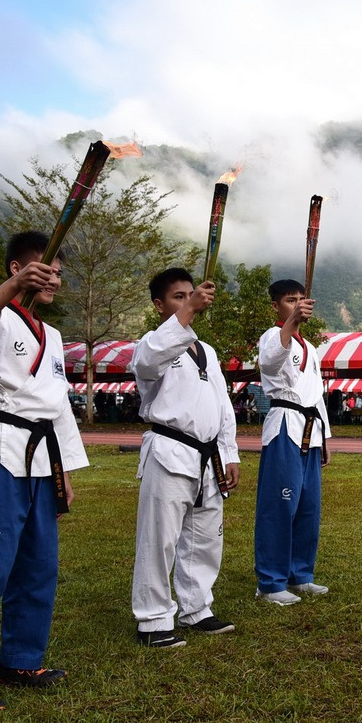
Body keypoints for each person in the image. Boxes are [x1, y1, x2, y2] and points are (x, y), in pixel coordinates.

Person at [0, 231, 89, 712]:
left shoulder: (54, 335)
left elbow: (58, 407)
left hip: (43, 457)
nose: (54, 279)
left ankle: (22, 658)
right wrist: (8, 290)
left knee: (38, 564)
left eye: (58, 273)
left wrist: (66, 469)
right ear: (16, 270)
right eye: (44, 270)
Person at [129, 268, 241, 648]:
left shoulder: (206, 350)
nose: (189, 300)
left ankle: (197, 608)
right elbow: (146, 365)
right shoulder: (151, 344)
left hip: (206, 456)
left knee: (205, 535)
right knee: (160, 538)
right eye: (179, 296)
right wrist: (186, 314)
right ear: (159, 305)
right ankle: (153, 619)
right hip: (169, 449)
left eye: (192, 294)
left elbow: (222, 406)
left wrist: (229, 453)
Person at [254, 279, 332, 606]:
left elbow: (317, 395)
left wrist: (325, 435)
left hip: (310, 428)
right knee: (280, 505)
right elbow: (270, 362)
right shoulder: (273, 335)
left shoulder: (311, 348)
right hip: (284, 423)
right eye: (290, 300)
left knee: (307, 507)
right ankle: (271, 583)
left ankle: (300, 575)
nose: (297, 304)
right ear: (276, 306)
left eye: (301, 299)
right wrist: (291, 322)